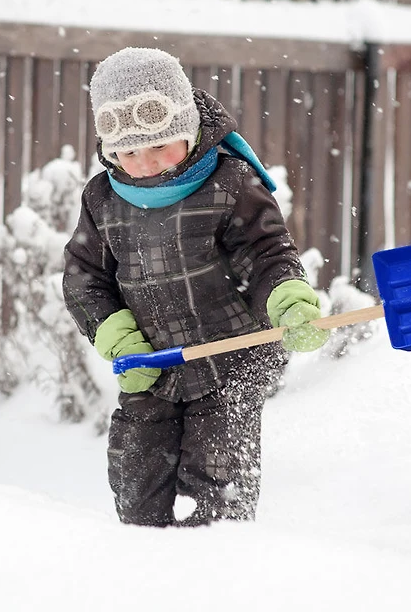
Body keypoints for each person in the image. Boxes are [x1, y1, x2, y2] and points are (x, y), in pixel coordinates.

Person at [63, 47, 329, 527]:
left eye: (161, 146)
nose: (145, 163)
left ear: (188, 129)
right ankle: (142, 572)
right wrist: (116, 333)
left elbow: (267, 254)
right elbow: (84, 277)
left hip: (230, 363)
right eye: (127, 152)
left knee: (215, 482)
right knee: (136, 480)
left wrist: (287, 300)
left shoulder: (230, 183)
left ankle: (214, 568)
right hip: (153, 367)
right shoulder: (102, 199)